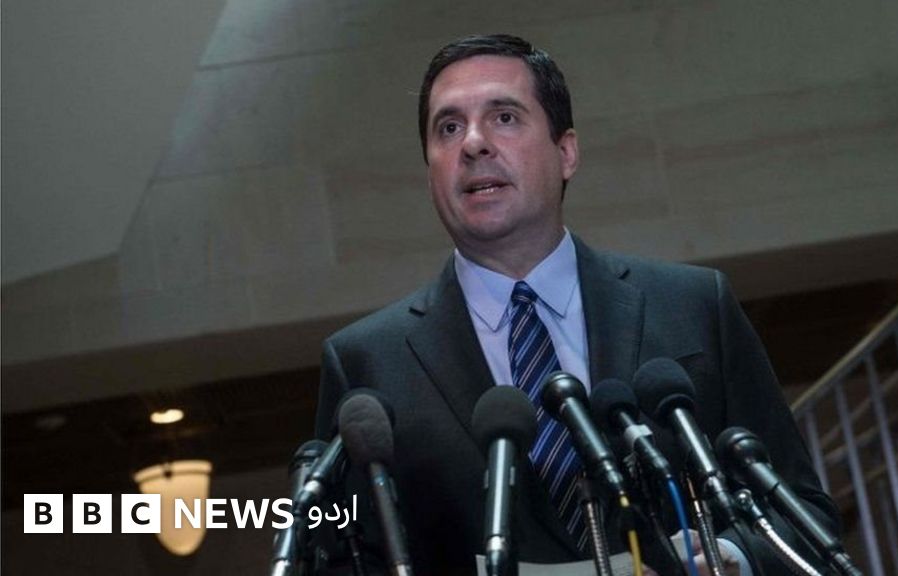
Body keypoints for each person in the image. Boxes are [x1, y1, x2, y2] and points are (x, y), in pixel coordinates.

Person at [315, 34, 839, 575]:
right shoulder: (366, 363)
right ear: (430, 171)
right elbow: (335, 559)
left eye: (504, 118)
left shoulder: (693, 305)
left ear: (566, 152)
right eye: (448, 128)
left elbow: (804, 514)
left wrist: (730, 558)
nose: (472, 144)